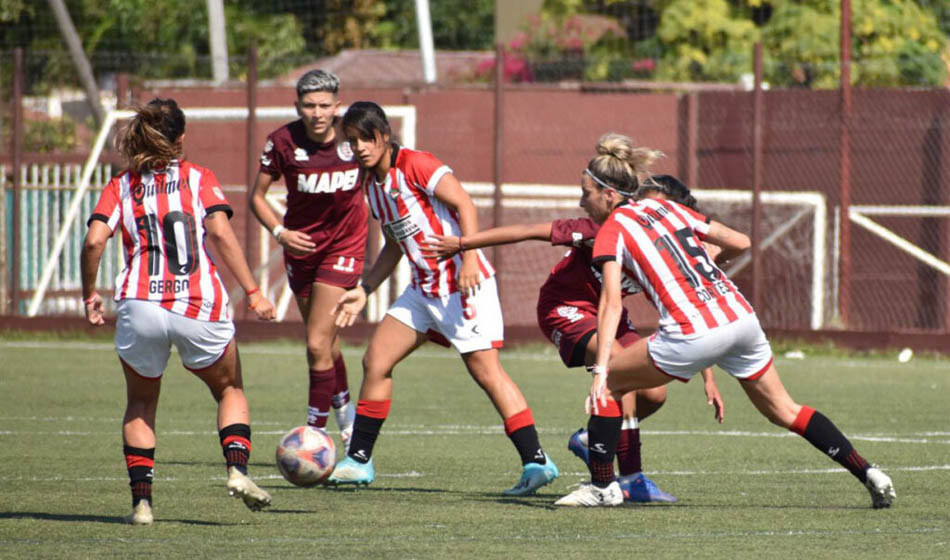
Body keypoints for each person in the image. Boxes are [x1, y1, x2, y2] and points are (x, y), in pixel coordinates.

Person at [554, 136, 897, 508]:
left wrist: (602, 368)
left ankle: (602, 488)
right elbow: (741, 241)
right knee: (785, 410)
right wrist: (703, 264)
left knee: (610, 387)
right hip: (740, 318)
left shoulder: (611, 230)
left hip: (693, 330)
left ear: (608, 194)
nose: (580, 201)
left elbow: (610, 303)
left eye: (585, 192)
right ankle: (868, 472)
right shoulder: (670, 210)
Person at [423, 150, 725, 503]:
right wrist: (463, 244)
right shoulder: (598, 229)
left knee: (656, 393)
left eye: (586, 193)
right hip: (562, 308)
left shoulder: (657, 246)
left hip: (607, 315)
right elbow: (526, 231)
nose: (648, 210)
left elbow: (687, 310)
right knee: (620, 369)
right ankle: (625, 479)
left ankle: (590, 438)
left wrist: (709, 377)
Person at [327, 101, 559, 495]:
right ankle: (359, 461)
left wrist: (469, 257)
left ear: (384, 135)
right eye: (354, 141)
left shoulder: (416, 163)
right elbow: (394, 245)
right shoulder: (371, 185)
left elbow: (464, 203)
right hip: (422, 291)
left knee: (486, 373)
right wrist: (363, 290)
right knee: (376, 361)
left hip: (462, 287)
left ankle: (536, 461)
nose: (362, 146)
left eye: (368, 137)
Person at [80, 98, 277, 525]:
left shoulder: (121, 184)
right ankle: (237, 470)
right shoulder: (198, 178)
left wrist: (89, 294)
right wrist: (254, 291)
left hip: (140, 304)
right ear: (181, 139)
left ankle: (142, 505)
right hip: (197, 303)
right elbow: (220, 231)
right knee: (229, 390)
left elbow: (95, 241)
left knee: (141, 403)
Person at [248, 69, 362, 445]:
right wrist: (280, 233)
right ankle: (347, 416)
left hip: (344, 248)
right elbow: (257, 198)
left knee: (315, 343)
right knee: (325, 342)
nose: (317, 113)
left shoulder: (355, 136)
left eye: (325, 105)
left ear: (337, 106)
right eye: (310, 105)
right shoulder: (281, 142)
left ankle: (314, 434)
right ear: (298, 106)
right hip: (302, 250)